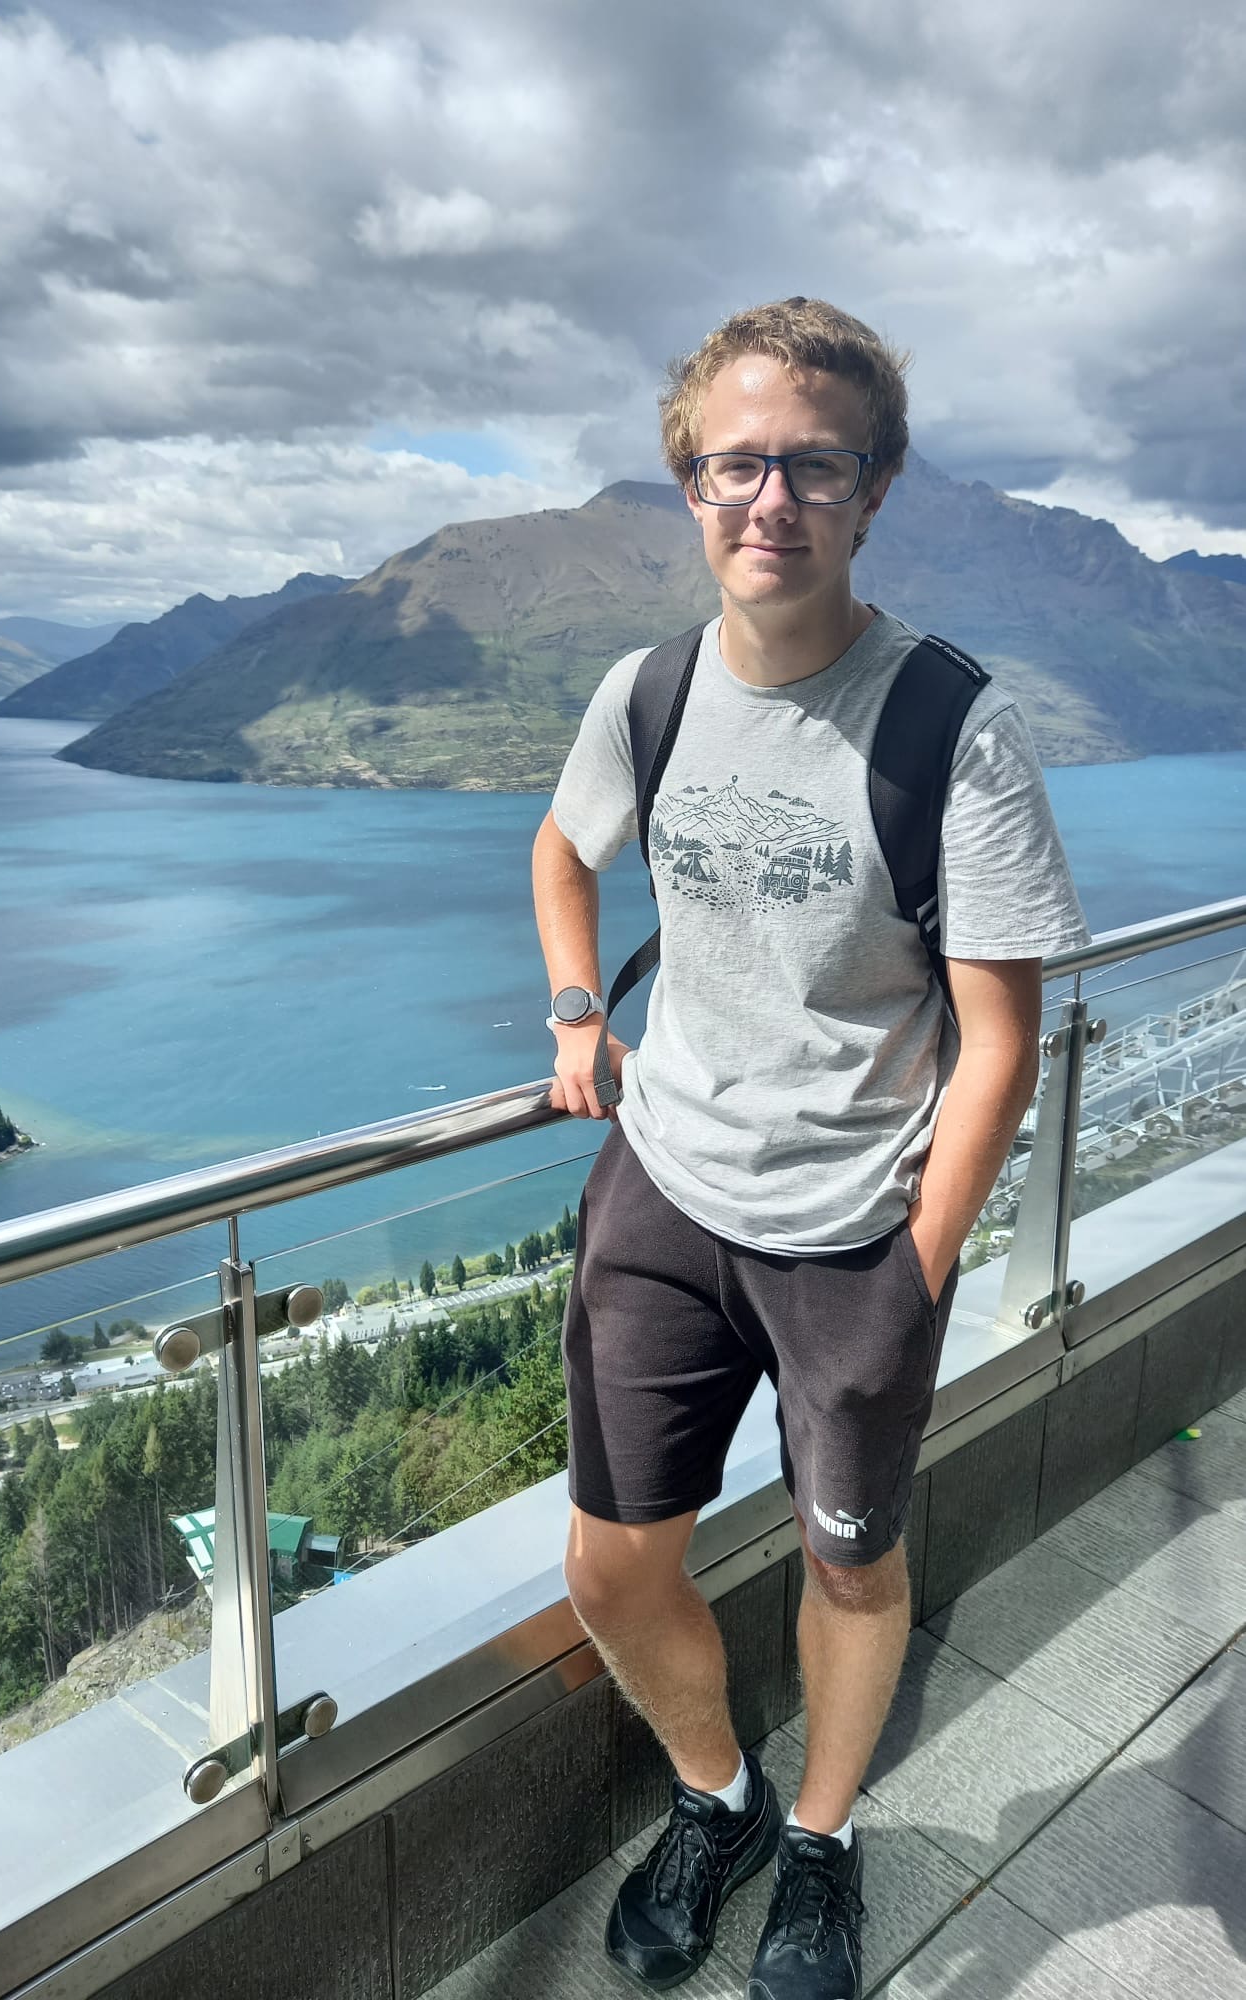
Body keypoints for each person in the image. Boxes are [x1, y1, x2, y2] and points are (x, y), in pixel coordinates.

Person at [531, 297, 1089, 1999]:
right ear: (690, 482)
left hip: (855, 1228)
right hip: (662, 1190)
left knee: (851, 1565)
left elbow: (1000, 1039)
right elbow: (562, 848)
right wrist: (578, 1010)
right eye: (737, 464)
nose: (771, 498)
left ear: (874, 489)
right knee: (611, 1564)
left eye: (815, 466)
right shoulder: (649, 693)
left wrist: (915, 1269)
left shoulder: (949, 725)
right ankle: (722, 1796)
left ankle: (824, 1846)